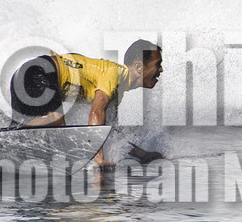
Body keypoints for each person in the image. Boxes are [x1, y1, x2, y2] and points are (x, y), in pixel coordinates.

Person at [9, 40, 165, 163]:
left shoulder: (118, 90)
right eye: (157, 64)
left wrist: (143, 155)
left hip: (21, 76)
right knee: (57, 122)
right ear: (139, 67)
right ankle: (12, 137)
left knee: (19, 131)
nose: (161, 70)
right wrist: (99, 160)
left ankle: (6, 142)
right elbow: (96, 112)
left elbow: (108, 134)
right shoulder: (114, 73)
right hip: (39, 72)